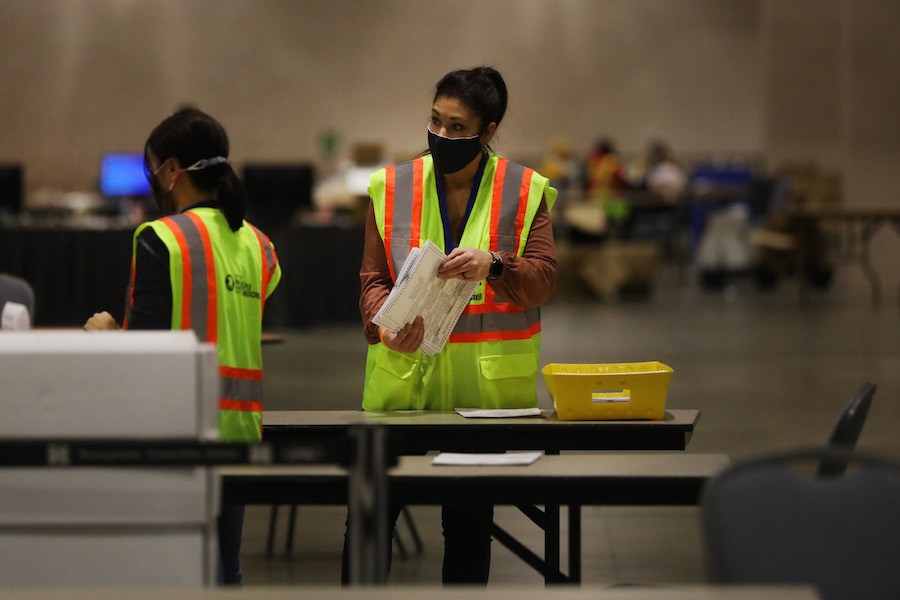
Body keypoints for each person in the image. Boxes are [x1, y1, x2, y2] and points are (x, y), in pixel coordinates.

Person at [346, 66, 557, 585]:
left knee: (466, 536)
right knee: (367, 528)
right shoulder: (390, 187)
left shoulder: (525, 190)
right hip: (401, 383)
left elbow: (543, 281)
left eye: (458, 127)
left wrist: (498, 266)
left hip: (479, 394)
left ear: (488, 131)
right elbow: (372, 281)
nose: (442, 136)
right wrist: (382, 326)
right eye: (435, 122)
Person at [84, 107, 282, 586]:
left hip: (179, 433)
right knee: (226, 572)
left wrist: (106, 333)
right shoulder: (261, 246)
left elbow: (146, 352)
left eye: (152, 166)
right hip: (239, 431)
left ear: (171, 170)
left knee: (177, 576)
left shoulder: (160, 238)